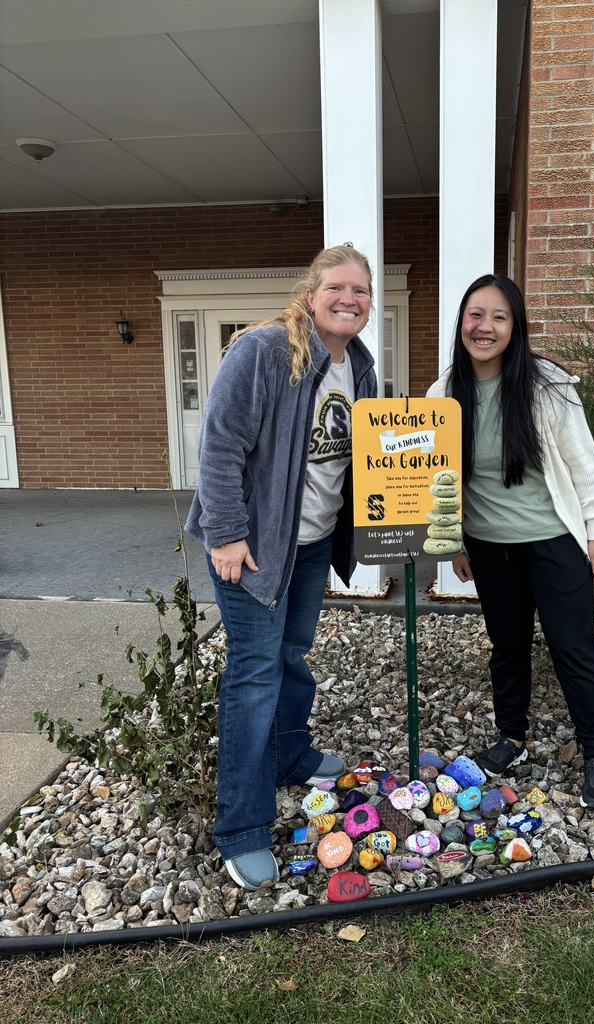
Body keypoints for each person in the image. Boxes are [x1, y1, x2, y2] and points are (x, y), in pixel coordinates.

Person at [185, 244, 377, 888]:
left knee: (292, 654)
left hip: (313, 543)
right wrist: (226, 535)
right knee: (254, 673)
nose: (350, 299)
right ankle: (240, 826)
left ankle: (291, 753)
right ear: (312, 291)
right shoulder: (264, 351)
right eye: (338, 287)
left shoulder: (361, 366)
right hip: (253, 547)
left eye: (362, 290)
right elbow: (219, 447)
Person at [427, 273, 594, 812]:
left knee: (573, 649)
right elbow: (441, 481)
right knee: (507, 647)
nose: (483, 327)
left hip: (554, 543)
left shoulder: (547, 385)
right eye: (474, 315)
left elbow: (584, 463)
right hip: (489, 548)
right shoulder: (442, 395)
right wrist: (453, 545)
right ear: (461, 323)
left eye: (498, 316)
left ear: (515, 327)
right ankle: (512, 738)